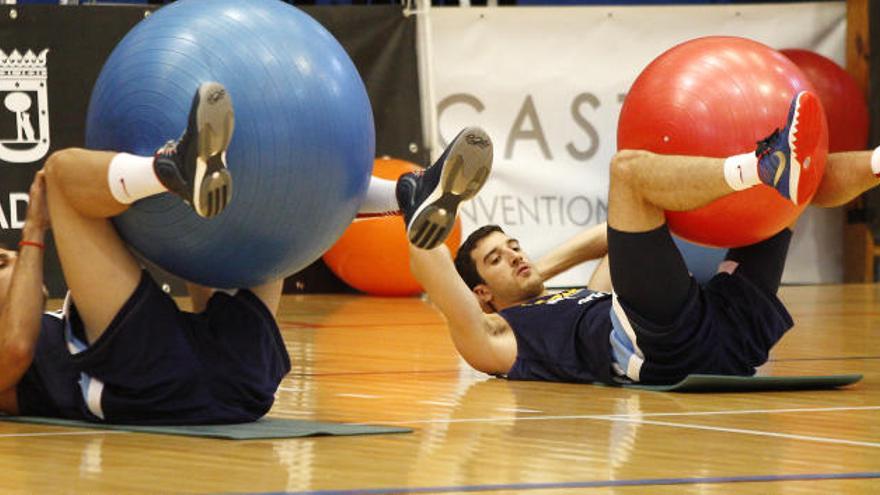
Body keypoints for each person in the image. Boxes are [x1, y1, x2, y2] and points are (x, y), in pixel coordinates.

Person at [0, 78, 490, 424]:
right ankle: (168, 172)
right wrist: (33, 235)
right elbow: (15, 350)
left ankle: (405, 193)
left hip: (238, 382)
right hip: (148, 383)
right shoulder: (42, 328)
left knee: (254, 175)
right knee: (61, 175)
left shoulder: (76, 323)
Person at [406, 91, 876, 385]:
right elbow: (444, 288)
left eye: (513, 246)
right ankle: (759, 167)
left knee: (794, 191)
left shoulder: (584, 294)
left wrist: (542, 268)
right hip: (665, 345)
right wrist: (422, 219)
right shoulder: (498, 338)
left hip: (728, 334)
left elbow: (612, 238)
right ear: (483, 293)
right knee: (627, 172)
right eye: (496, 260)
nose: (514, 256)